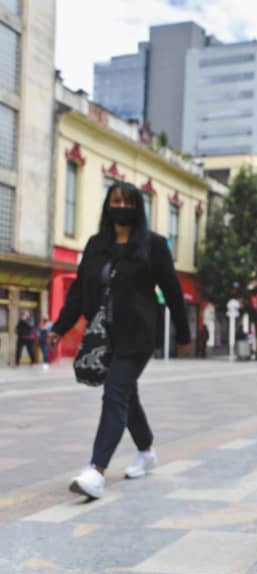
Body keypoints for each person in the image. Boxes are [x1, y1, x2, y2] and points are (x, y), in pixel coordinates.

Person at [50, 181, 192, 499]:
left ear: (137, 208)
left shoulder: (153, 245)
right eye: (115, 200)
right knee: (126, 395)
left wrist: (183, 334)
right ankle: (146, 450)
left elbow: (172, 291)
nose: (121, 206)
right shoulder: (96, 245)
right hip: (104, 336)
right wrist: (60, 326)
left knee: (114, 393)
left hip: (138, 335)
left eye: (128, 202)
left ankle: (96, 472)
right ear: (107, 205)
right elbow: (78, 291)